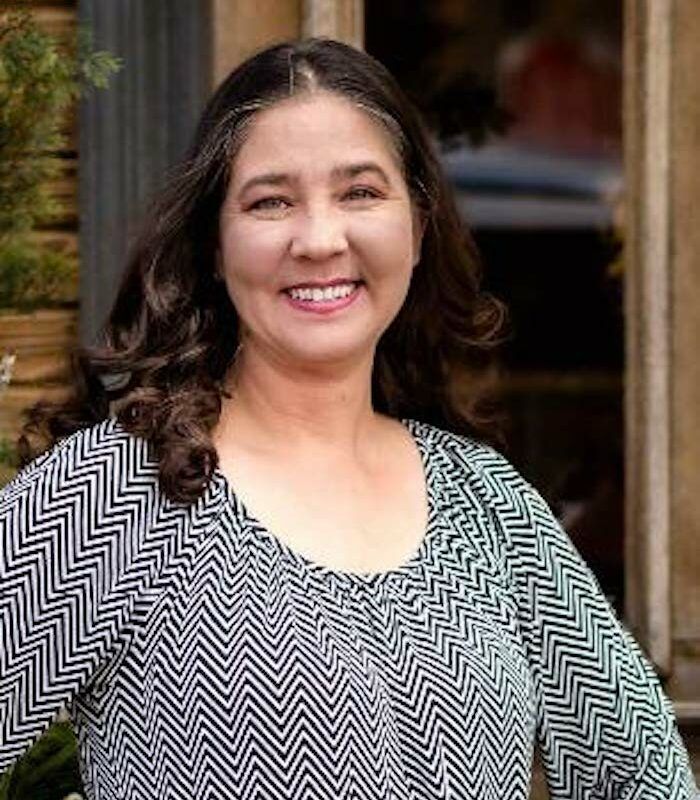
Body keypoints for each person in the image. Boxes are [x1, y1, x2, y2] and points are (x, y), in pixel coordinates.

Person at [1, 38, 697, 800]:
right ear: (212, 244)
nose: (321, 239)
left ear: (419, 224)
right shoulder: (109, 494)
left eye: (360, 192)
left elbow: (646, 778)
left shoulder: (489, 504)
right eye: (271, 201)